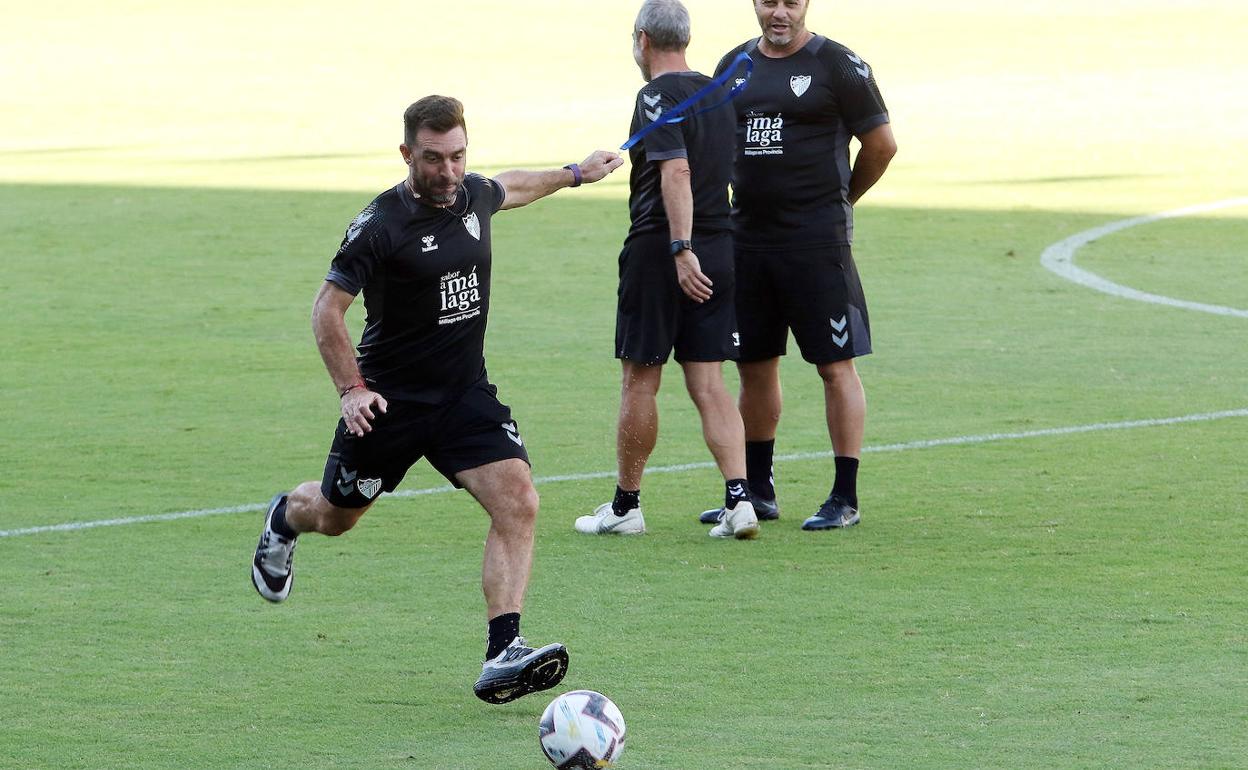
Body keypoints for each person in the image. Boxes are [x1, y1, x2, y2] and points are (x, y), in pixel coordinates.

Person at [249, 95, 624, 704]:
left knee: (519, 499)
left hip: (462, 396)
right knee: (336, 518)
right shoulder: (379, 227)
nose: (448, 172)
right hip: (388, 405)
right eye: (433, 159)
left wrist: (576, 172)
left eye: (457, 156)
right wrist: (352, 390)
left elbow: (512, 187)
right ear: (407, 154)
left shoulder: (472, 195)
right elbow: (327, 309)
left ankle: (503, 650)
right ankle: (285, 516)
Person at [699, 0, 897, 531]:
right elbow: (713, 145)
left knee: (835, 366)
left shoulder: (839, 64)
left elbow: (882, 144)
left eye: (790, 1)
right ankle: (758, 490)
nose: (778, 12)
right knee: (755, 365)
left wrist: (842, 200)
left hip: (817, 245)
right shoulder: (733, 66)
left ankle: (844, 498)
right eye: (768, 1)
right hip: (747, 244)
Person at [573, 0, 759, 541]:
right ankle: (740, 502)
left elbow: (676, 170)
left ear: (642, 39)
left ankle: (627, 506)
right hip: (722, 246)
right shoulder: (719, 91)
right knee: (709, 380)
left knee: (640, 378)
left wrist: (680, 248)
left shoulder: (653, 95)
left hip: (664, 251)